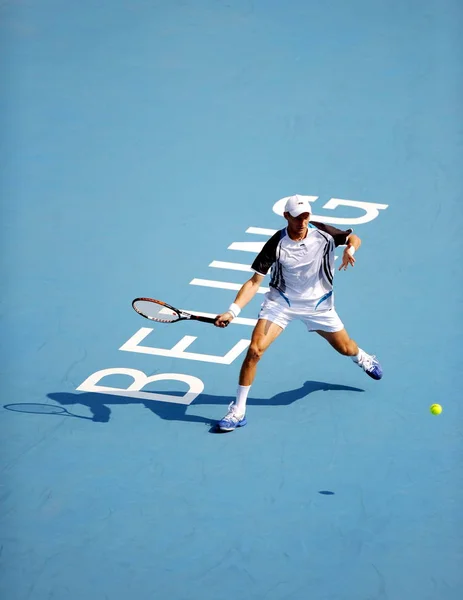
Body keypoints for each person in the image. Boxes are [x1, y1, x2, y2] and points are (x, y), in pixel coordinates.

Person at [214, 194, 383, 432]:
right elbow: (254, 282)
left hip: (319, 305)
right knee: (254, 351)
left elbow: (353, 237)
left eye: (306, 216)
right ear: (286, 217)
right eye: (297, 217)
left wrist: (351, 249)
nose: (303, 221)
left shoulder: (323, 233)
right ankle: (238, 411)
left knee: (345, 348)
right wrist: (232, 311)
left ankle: (362, 357)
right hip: (280, 303)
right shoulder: (276, 243)